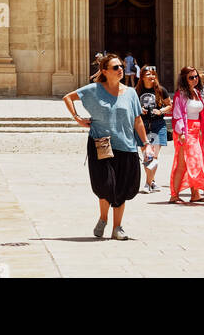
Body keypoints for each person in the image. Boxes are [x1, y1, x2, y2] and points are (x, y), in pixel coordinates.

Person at [63, 53, 155, 240]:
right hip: (101, 142)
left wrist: (146, 144)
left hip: (126, 145)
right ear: (104, 71)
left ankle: (117, 227)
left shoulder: (130, 93)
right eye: (115, 67)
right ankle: (104, 218)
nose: (120, 69)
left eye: (121, 66)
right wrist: (78, 119)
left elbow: (137, 120)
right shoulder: (94, 89)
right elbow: (68, 97)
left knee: (122, 187)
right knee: (106, 184)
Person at [170, 67, 204, 204]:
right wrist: (181, 132)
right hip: (185, 132)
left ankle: (195, 194)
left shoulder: (197, 93)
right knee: (182, 163)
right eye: (191, 77)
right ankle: (174, 195)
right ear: (184, 79)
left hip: (197, 132)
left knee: (196, 162)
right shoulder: (180, 94)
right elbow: (177, 114)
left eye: (196, 76)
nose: (195, 79)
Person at [136, 65, 172, 192]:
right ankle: (152, 182)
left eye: (153, 74)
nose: (151, 77)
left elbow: (169, 105)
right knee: (147, 156)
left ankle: (147, 183)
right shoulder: (136, 91)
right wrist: (139, 110)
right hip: (142, 126)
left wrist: (160, 111)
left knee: (154, 156)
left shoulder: (161, 90)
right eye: (148, 75)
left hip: (158, 125)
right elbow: (131, 107)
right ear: (142, 77)